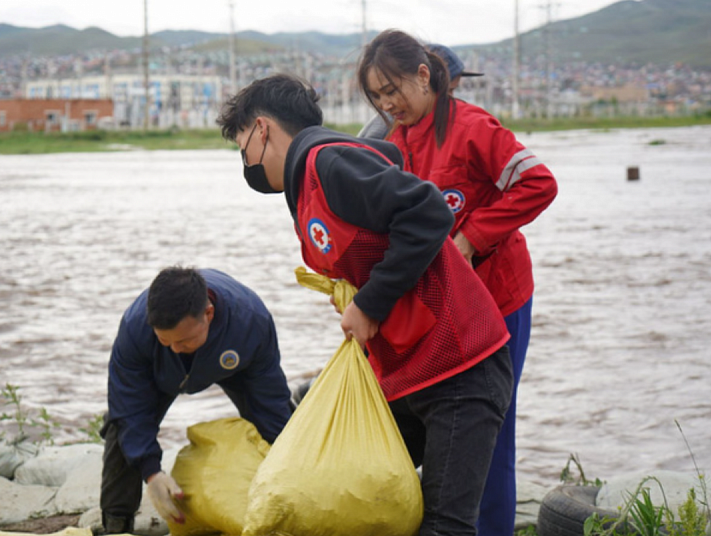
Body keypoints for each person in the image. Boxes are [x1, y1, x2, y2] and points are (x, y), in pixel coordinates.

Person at [216, 73, 513, 536]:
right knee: (352, 490)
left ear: (261, 129)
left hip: (461, 366)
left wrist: (370, 304)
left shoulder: (330, 163)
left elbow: (428, 212)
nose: (246, 161)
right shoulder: (308, 183)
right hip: (407, 371)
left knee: (443, 526)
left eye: (241, 147)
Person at [357, 29, 558, 536]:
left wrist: (472, 237)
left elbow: (539, 183)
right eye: (377, 96)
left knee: (491, 431)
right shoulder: (392, 144)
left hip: (499, 299)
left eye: (393, 90)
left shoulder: (473, 128)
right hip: (443, 309)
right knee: (441, 425)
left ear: (424, 76)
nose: (387, 104)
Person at [100, 266, 292, 534]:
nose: (176, 349)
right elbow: (129, 407)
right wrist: (152, 473)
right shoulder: (135, 328)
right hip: (160, 375)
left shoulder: (251, 321)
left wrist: (284, 446)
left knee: (278, 428)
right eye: (165, 340)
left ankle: (291, 501)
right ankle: (117, 523)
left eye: (184, 341)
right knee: (121, 424)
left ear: (208, 314)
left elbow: (271, 400)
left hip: (231, 359)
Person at [358, 42, 482, 139]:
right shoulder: (389, 130)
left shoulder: (471, 127)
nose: (451, 99)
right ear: (424, 77)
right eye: (447, 90)